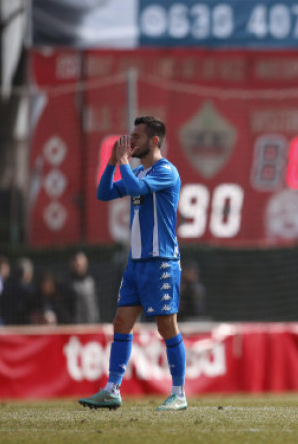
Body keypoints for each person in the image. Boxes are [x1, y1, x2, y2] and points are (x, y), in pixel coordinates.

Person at [78, 116, 187, 411]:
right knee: (121, 322)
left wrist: (123, 161)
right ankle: (112, 389)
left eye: (136, 137)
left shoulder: (166, 172)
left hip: (161, 261)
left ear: (154, 141)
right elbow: (103, 193)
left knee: (167, 326)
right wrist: (114, 162)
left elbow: (137, 190)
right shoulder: (137, 171)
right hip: (136, 263)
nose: (131, 140)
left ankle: (178, 393)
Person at [61, 251, 100, 324]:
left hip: (92, 325)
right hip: (75, 327)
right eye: (76, 263)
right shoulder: (67, 283)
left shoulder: (91, 281)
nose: (79, 265)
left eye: (81, 263)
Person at [0, 257, 36, 325]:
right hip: (23, 327)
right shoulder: (30, 290)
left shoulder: (5, 287)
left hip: (7, 325)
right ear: (26, 273)